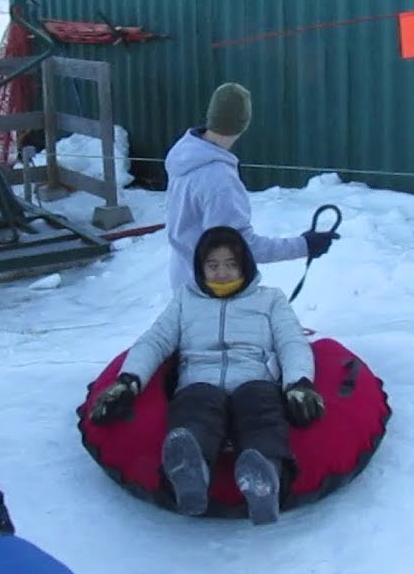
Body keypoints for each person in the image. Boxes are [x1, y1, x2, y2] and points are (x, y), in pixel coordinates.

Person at [89, 226, 327, 525]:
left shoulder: (269, 300)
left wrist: (299, 383)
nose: (222, 273)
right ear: (200, 267)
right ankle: (191, 472)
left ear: (244, 265)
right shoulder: (185, 300)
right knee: (195, 411)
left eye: (230, 264)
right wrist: (128, 381)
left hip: (253, 377)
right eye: (212, 265)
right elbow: (155, 341)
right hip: (199, 379)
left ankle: (265, 477)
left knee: (261, 411)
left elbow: (291, 341)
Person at [162, 82, 338, 290]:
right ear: (243, 123)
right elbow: (239, 249)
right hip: (214, 292)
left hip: (185, 280)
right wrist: (304, 245)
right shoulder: (219, 180)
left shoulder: (186, 154)